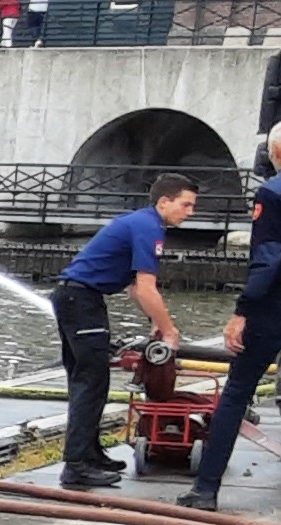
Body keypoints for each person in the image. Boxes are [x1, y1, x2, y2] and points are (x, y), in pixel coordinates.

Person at [185, 122, 281, 512]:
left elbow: (268, 260)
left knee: (238, 390)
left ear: (274, 154)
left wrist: (242, 312)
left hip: (280, 302)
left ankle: (206, 490)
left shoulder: (275, 192)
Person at [50, 172, 194, 489]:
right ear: (164, 201)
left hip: (77, 297)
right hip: (82, 299)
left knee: (88, 380)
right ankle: (76, 467)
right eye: (186, 205)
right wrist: (170, 331)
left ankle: (89, 453)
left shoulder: (140, 222)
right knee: (91, 381)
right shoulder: (148, 227)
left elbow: (134, 288)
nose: (190, 212)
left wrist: (155, 321)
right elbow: (145, 288)